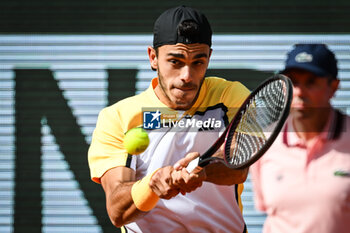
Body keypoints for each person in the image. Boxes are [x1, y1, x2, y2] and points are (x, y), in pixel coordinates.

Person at [88, 5, 251, 233]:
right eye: (175, 61)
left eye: (198, 62)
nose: (187, 76)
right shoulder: (117, 117)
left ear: (209, 58)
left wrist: (201, 170)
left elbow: (238, 166)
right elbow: (118, 210)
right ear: (153, 58)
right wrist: (152, 184)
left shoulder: (230, 96)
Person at [250, 44, 350, 233]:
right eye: (294, 82)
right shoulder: (266, 142)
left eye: (311, 82)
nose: (300, 92)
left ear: (334, 87)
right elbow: (267, 209)